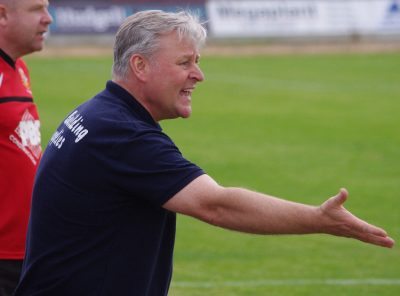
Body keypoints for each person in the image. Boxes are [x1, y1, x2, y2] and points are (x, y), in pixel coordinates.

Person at [14, 10, 394, 296]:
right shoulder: (120, 134)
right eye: (185, 62)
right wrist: (319, 219)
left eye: (197, 61)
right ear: (140, 66)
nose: (199, 75)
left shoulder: (99, 114)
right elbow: (217, 204)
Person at [0, 0, 52, 295]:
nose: (48, 19)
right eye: (37, 9)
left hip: (28, 250)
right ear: (3, 14)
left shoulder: (19, 69)